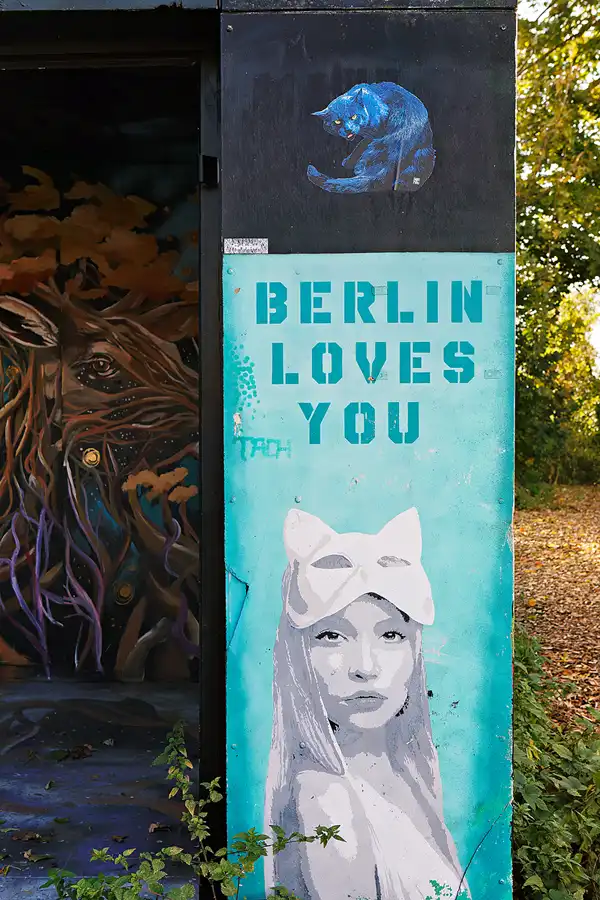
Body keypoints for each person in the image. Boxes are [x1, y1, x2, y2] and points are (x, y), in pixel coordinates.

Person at [264, 507, 468, 900]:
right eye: (331, 636)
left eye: (391, 634)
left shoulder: (403, 769)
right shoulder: (327, 800)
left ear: (415, 650)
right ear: (298, 653)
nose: (365, 667)